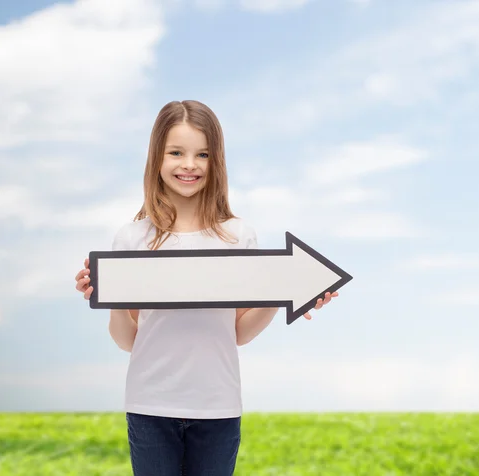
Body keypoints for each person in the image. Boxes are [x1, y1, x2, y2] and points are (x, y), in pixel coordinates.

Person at [74, 100, 337, 476]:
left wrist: (283, 292)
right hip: (150, 405)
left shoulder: (238, 236)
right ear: (157, 158)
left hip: (218, 406)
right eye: (176, 153)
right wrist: (110, 295)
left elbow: (239, 333)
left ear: (216, 162)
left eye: (202, 154)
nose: (189, 164)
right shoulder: (132, 238)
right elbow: (127, 340)